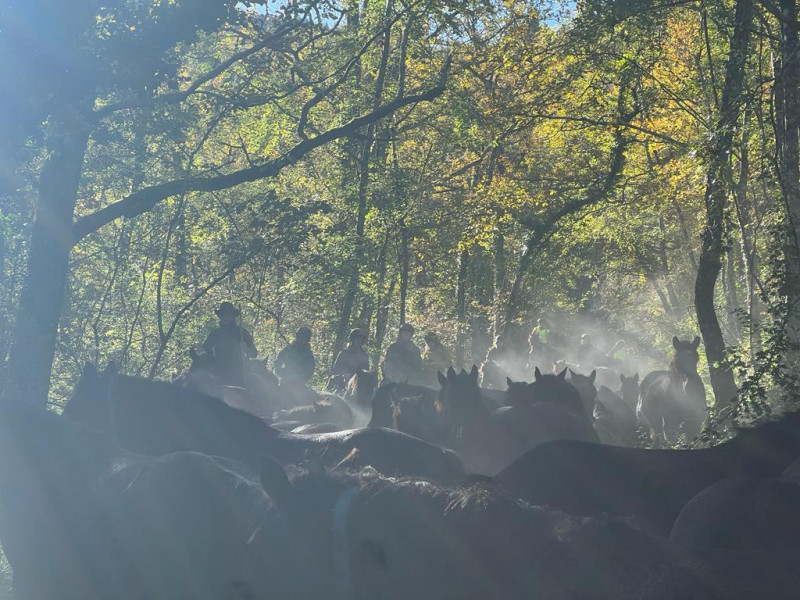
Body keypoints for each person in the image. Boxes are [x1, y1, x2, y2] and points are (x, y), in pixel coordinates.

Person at [202, 301, 258, 386]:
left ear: (233, 316)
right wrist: (213, 355)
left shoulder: (241, 332)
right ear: (219, 316)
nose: (225, 316)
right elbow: (206, 349)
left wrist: (245, 347)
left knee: (253, 386)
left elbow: (254, 354)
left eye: (228, 314)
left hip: (239, 370)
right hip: (218, 370)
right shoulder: (214, 334)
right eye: (223, 314)